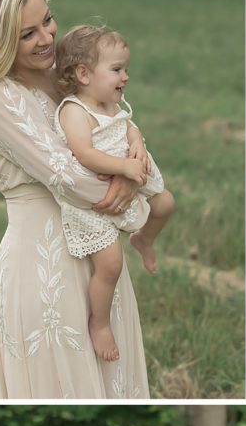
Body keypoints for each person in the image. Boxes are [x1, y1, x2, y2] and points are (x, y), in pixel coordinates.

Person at [0, 0, 150, 397]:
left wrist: (139, 150)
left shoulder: (67, 76)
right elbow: (71, 179)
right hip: (46, 267)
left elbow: (116, 127)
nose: (46, 37)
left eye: (48, 21)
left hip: (99, 256)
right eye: (26, 34)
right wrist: (133, 190)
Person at [54, 24, 176, 362]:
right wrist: (123, 168)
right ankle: (100, 323)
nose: (126, 77)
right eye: (117, 69)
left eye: (126, 69)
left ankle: (144, 239)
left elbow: (130, 127)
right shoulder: (75, 111)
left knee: (166, 203)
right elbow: (84, 153)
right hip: (95, 198)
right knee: (110, 264)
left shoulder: (112, 104)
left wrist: (136, 143)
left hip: (133, 171)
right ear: (83, 73)